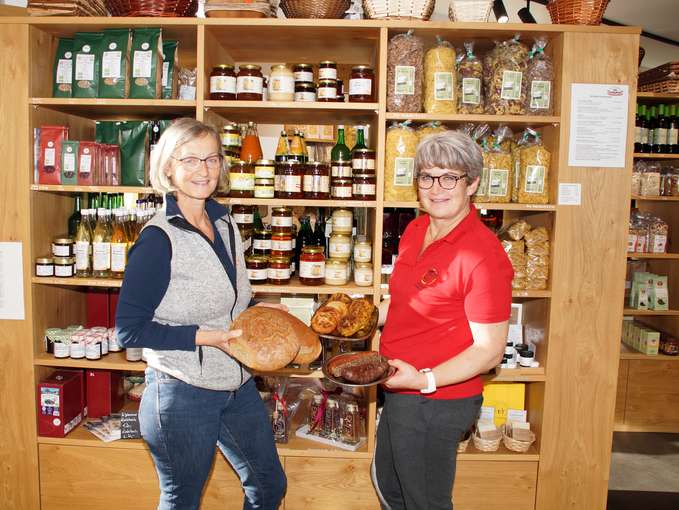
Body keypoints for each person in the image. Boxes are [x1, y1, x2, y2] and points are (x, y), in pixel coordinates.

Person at [115, 118, 286, 510]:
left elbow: (232, 303)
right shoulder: (158, 240)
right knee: (182, 500)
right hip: (181, 391)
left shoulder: (225, 223)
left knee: (268, 485)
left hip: (236, 382)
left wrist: (262, 313)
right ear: (169, 168)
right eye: (190, 160)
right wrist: (202, 337)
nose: (203, 170)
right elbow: (129, 330)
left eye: (211, 159)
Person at [373, 131, 513, 510]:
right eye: (427, 176)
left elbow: (489, 351)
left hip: (436, 400)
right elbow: (402, 300)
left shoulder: (483, 255)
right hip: (400, 387)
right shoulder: (416, 229)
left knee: (425, 501)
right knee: (390, 486)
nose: (437, 188)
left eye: (450, 177)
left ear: (473, 184)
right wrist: (364, 317)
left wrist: (425, 380)